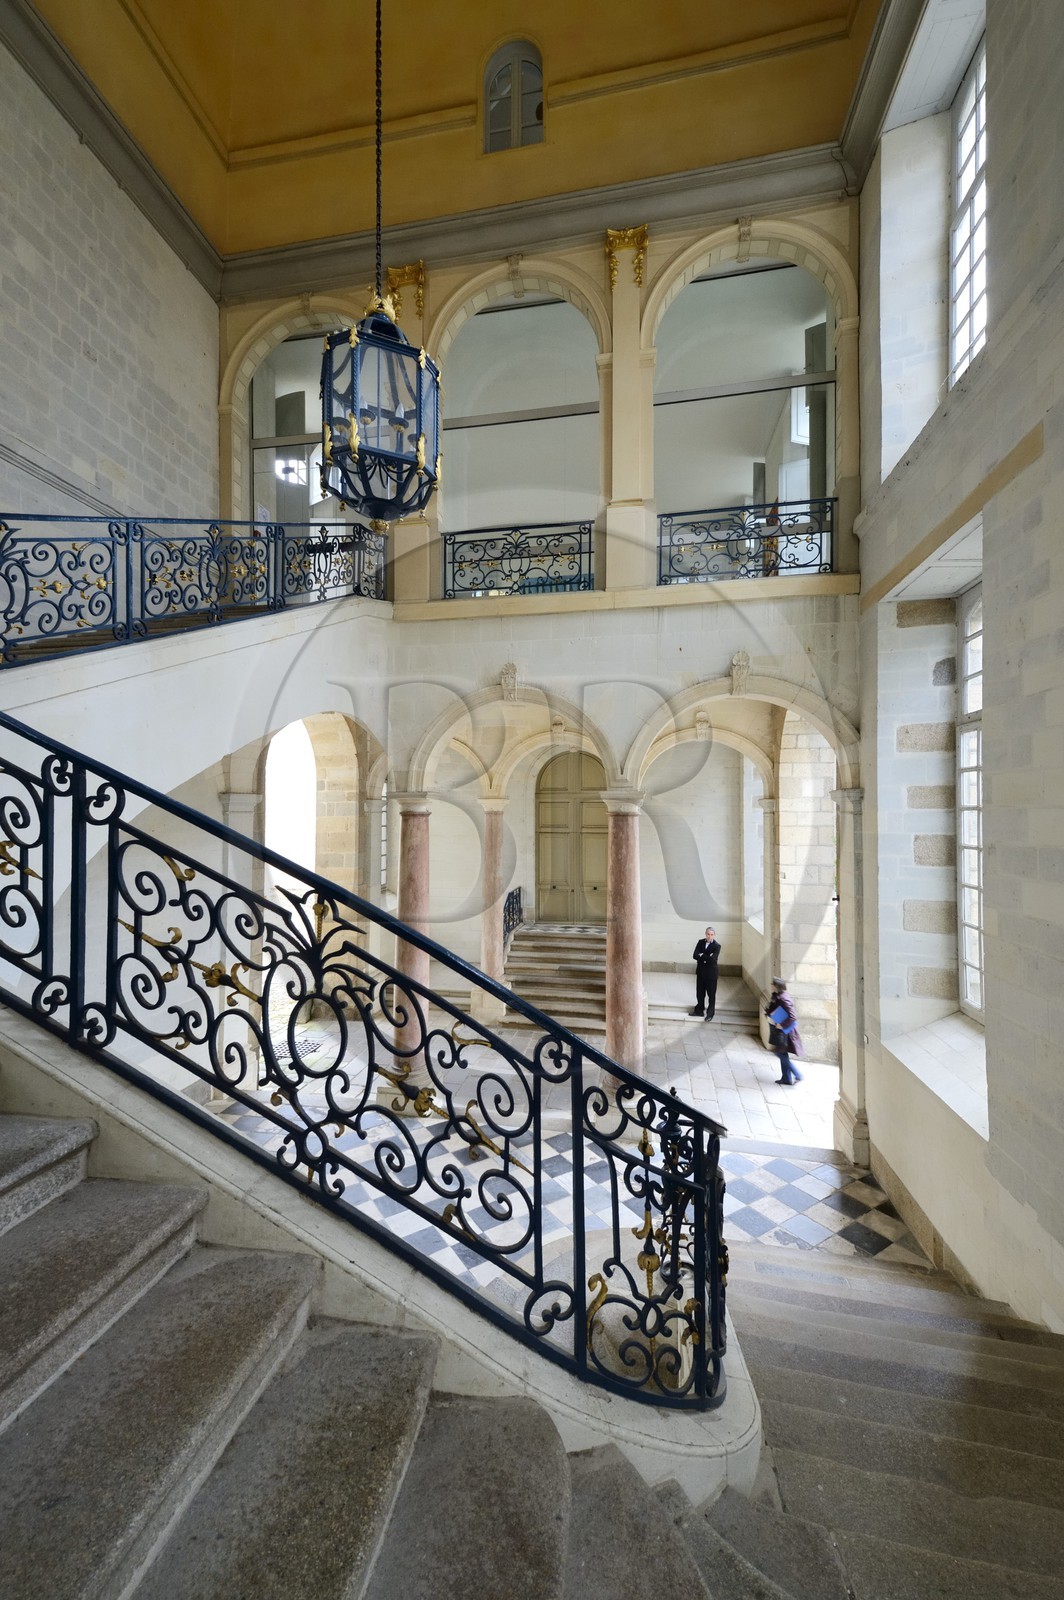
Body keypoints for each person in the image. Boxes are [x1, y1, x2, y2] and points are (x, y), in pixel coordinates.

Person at [765, 976, 803, 1084]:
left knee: (780, 1053)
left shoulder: (784, 998)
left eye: (773, 984)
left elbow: (792, 1016)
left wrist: (782, 1025)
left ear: (777, 986)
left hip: (786, 1031)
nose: (771, 986)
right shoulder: (778, 996)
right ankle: (786, 1078)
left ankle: (797, 1075)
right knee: (782, 1053)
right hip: (782, 1030)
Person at [689, 927, 721, 1019]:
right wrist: (706, 956)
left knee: (711, 995)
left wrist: (702, 955)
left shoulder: (717, 946)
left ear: (714, 935)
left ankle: (710, 1014)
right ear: (705, 934)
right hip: (701, 972)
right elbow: (695, 955)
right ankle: (699, 1010)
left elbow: (713, 959)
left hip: (711, 975)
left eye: (711, 934)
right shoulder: (700, 942)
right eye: (708, 934)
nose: (709, 936)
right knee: (700, 993)